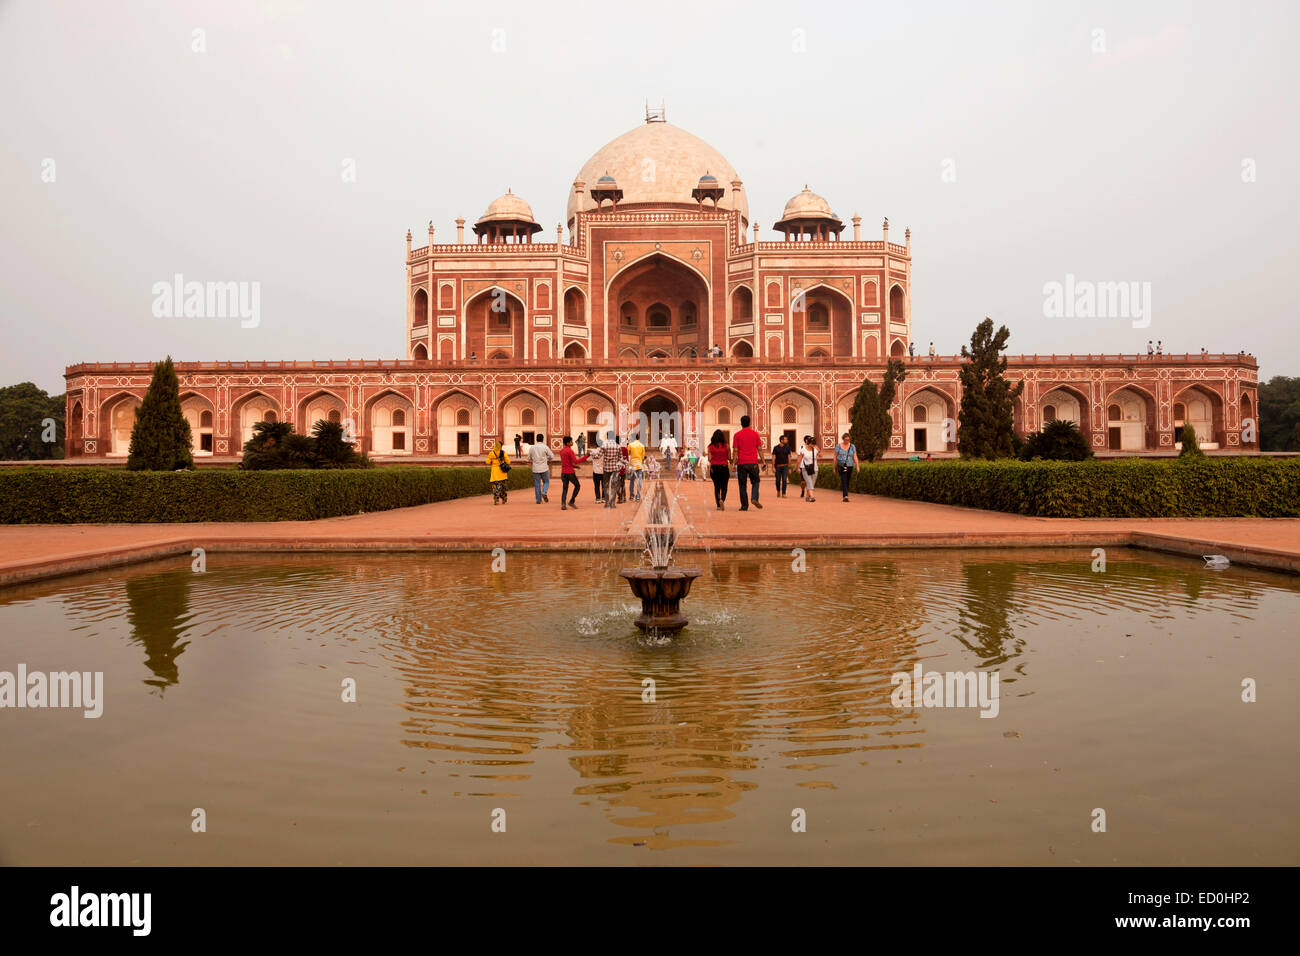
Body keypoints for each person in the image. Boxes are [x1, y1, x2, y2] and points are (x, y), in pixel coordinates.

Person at [732, 414, 764, 511]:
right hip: (753, 463)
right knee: (756, 482)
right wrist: (763, 462)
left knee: (742, 485)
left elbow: (736, 450)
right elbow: (759, 449)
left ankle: (744, 506)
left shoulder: (737, 435)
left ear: (741, 423)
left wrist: (733, 463)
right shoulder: (755, 434)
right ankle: (754, 498)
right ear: (749, 423)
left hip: (742, 463)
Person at [559, 435, 589, 511]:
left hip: (563, 472)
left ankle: (563, 504)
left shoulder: (561, 451)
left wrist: (575, 467)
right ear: (568, 443)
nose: (572, 443)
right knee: (577, 486)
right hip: (570, 473)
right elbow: (576, 461)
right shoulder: (570, 450)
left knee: (565, 488)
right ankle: (571, 501)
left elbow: (566, 463)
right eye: (571, 441)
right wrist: (586, 456)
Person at [528, 435, 556, 504]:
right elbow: (552, 456)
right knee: (546, 482)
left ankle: (538, 500)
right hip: (544, 467)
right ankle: (544, 492)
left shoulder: (532, 447)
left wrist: (533, 459)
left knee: (537, 484)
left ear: (536, 439)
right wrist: (546, 459)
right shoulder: (545, 447)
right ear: (543, 439)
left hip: (535, 468)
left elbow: (529, 458)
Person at [707, 429, 730, 509]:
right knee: (724, 486)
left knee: (717, 486)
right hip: (724, 467)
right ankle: (722, 500)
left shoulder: (710, 446)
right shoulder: (727, 446)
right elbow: (729, 457)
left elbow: (709, 459)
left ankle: (718, 505)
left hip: (714, 468)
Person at [834, 432, 860, 502]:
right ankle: (845, 496)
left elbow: (855, 456)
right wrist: (834, 467)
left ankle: (846, 494)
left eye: (848, 440)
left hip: (850, 465)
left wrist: (857, 466)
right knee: (844, 479)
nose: (847, 441)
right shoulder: (838, 446)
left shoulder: (852, 446)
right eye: (845, 440)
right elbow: (835, 457)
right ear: (843, 439)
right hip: (841, 465)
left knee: (847, 480)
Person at [602, 435, 623, 509]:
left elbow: (598, 455)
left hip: (606, 468)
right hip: (615, 468)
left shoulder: (604, 445)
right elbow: (621, 458)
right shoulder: (618, 446)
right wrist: (619, 467)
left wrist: (592, 454)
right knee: (614, 486)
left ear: (607, 436)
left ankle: (607, 503)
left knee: (606, 485)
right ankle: (613, 504)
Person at [487, 439, 511, 505]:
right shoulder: (503, 453)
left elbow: (487, 462)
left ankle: (496, 499)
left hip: (494, 472)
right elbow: (508, 462)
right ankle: (504, 498)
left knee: (495, 487)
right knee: (503, 487)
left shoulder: (491, 453)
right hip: (502, 472)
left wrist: (493, 461)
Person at [627, 434, 647, 501]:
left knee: (632, 480)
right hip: (639, 465)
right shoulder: (642, 445)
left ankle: (631, 495)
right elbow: (643, 456)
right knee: (639, 481)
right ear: (638, 438)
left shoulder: (630, 445)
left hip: (632, 465)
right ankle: (638, 496)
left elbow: (628, 454)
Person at [799, 435, 818, 502]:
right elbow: (799, 459)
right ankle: (812, 497)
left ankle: (807, 496)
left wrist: (818, 449)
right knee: (809, 482)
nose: (813, 445)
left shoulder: (815, 449)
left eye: (814, 444)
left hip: (814, 468)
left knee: (812, 483)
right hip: (805, 468)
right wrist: (798, 468)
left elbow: (820, 455)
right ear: (808, 443)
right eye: (812, 443)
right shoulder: (803, 449)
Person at [591, 434, 606, 502]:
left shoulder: (593, 451)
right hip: (603, 471)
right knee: (604, 485)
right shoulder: (604, 452)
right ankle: (603, 498)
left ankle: (597, 498)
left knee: (596, 486)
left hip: (596, 471)